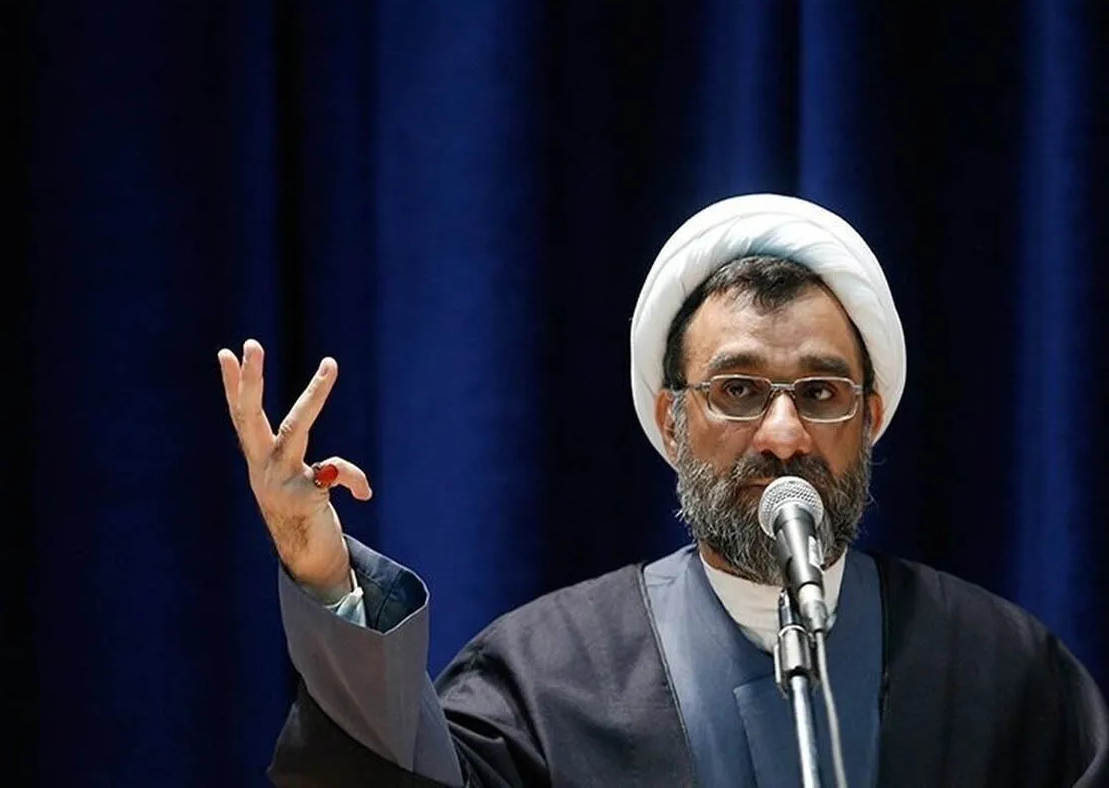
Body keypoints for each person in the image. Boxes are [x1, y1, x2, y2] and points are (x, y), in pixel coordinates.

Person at [218, 194, 1109, 787]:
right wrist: (322, 574)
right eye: (739, 390)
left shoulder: (1000, 672)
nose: (784, 434)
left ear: (870, 417)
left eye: (821, 393)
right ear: (671, 419)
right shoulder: (548, 678)